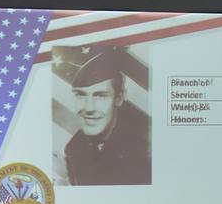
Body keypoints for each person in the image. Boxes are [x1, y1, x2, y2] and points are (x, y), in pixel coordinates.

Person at [53, 46, 151, 186]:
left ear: (119, 98)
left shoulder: (144, 146)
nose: (89, 108)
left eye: (100, 96)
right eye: (81, 95)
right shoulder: (74, 148)